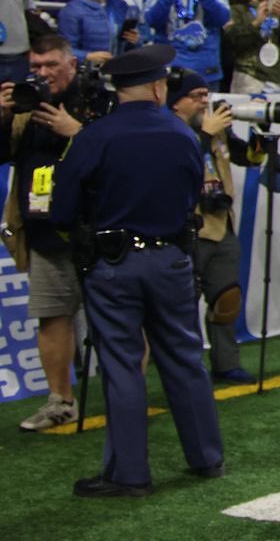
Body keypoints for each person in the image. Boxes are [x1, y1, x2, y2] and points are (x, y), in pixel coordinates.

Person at [50, 44, 224, 496]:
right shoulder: (184, 133)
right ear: (156, 86)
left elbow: (63, 208)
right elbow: (192, 195)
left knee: (123, 365)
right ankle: (207, 458)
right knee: (185, 358)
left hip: (114, 263)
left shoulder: (94, 136)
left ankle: (129, 474)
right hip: (171, 258)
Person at [2, 35, 93, 431]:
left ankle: (129, 392)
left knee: (120, 320)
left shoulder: (97, 99)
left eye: (50, 65)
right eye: (35, 67)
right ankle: (60, 402)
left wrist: (78, 132)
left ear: (71, 64)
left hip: (97, 233)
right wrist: (2, 114)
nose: (41, 74)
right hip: (43, 230)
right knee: (51, 318)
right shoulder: (26, 105)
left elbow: (121, 156)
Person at [167, 69, 257, 384]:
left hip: (221, 224)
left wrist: (259, 133)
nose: (204, 102)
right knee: (183, 306)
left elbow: (248, 158)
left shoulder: (216, 130)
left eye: (206, 95)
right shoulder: (168, 131)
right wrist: (204, 134)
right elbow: (178, 165)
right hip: (187, 229)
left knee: (226, 299)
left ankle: (226, 363)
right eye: (196, 97)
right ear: (176, 103)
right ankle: (187, 371)